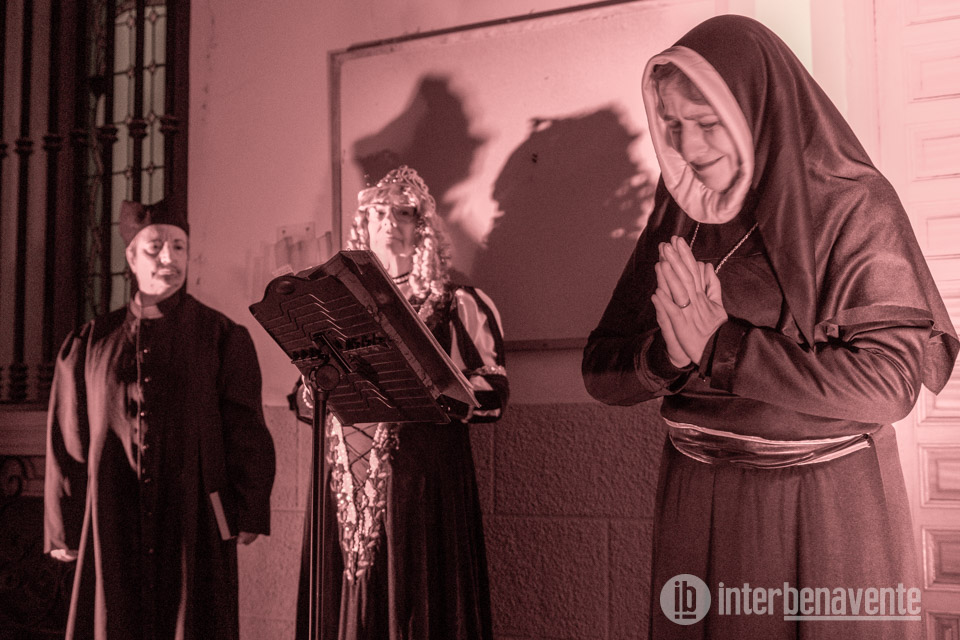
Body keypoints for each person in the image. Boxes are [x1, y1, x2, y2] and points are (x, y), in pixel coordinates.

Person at [581, 15, 958, 639]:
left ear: (756, 108)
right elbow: (601, 371)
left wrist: (723, 349)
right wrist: (670, 356)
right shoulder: (681, 210)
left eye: (708, 123)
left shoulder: (851, 203)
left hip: (821, 506)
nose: (690, 147)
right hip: (696, 494)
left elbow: (890, 386)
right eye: (673, 125)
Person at [44, 199, 276, 640]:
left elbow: (245, 429)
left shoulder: (223, 337)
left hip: (194, 516)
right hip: (112, 516)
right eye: (155, 247)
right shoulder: (90, 342)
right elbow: (68, 435)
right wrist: (65, 527)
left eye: (179, 247)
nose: (169, 258)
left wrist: (248, 510)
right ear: (131, 258)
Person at [293, 166, 508, 640]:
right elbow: (305, 402)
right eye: (378, 213)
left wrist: (427, 387)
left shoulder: (456, 303)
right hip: (342, 482)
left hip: (420, 485)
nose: (390, 222)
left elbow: (492, 395)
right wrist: (313, 387)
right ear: (363, 226)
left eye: (404, 213)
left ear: (422, 228)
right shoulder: (336, 309)